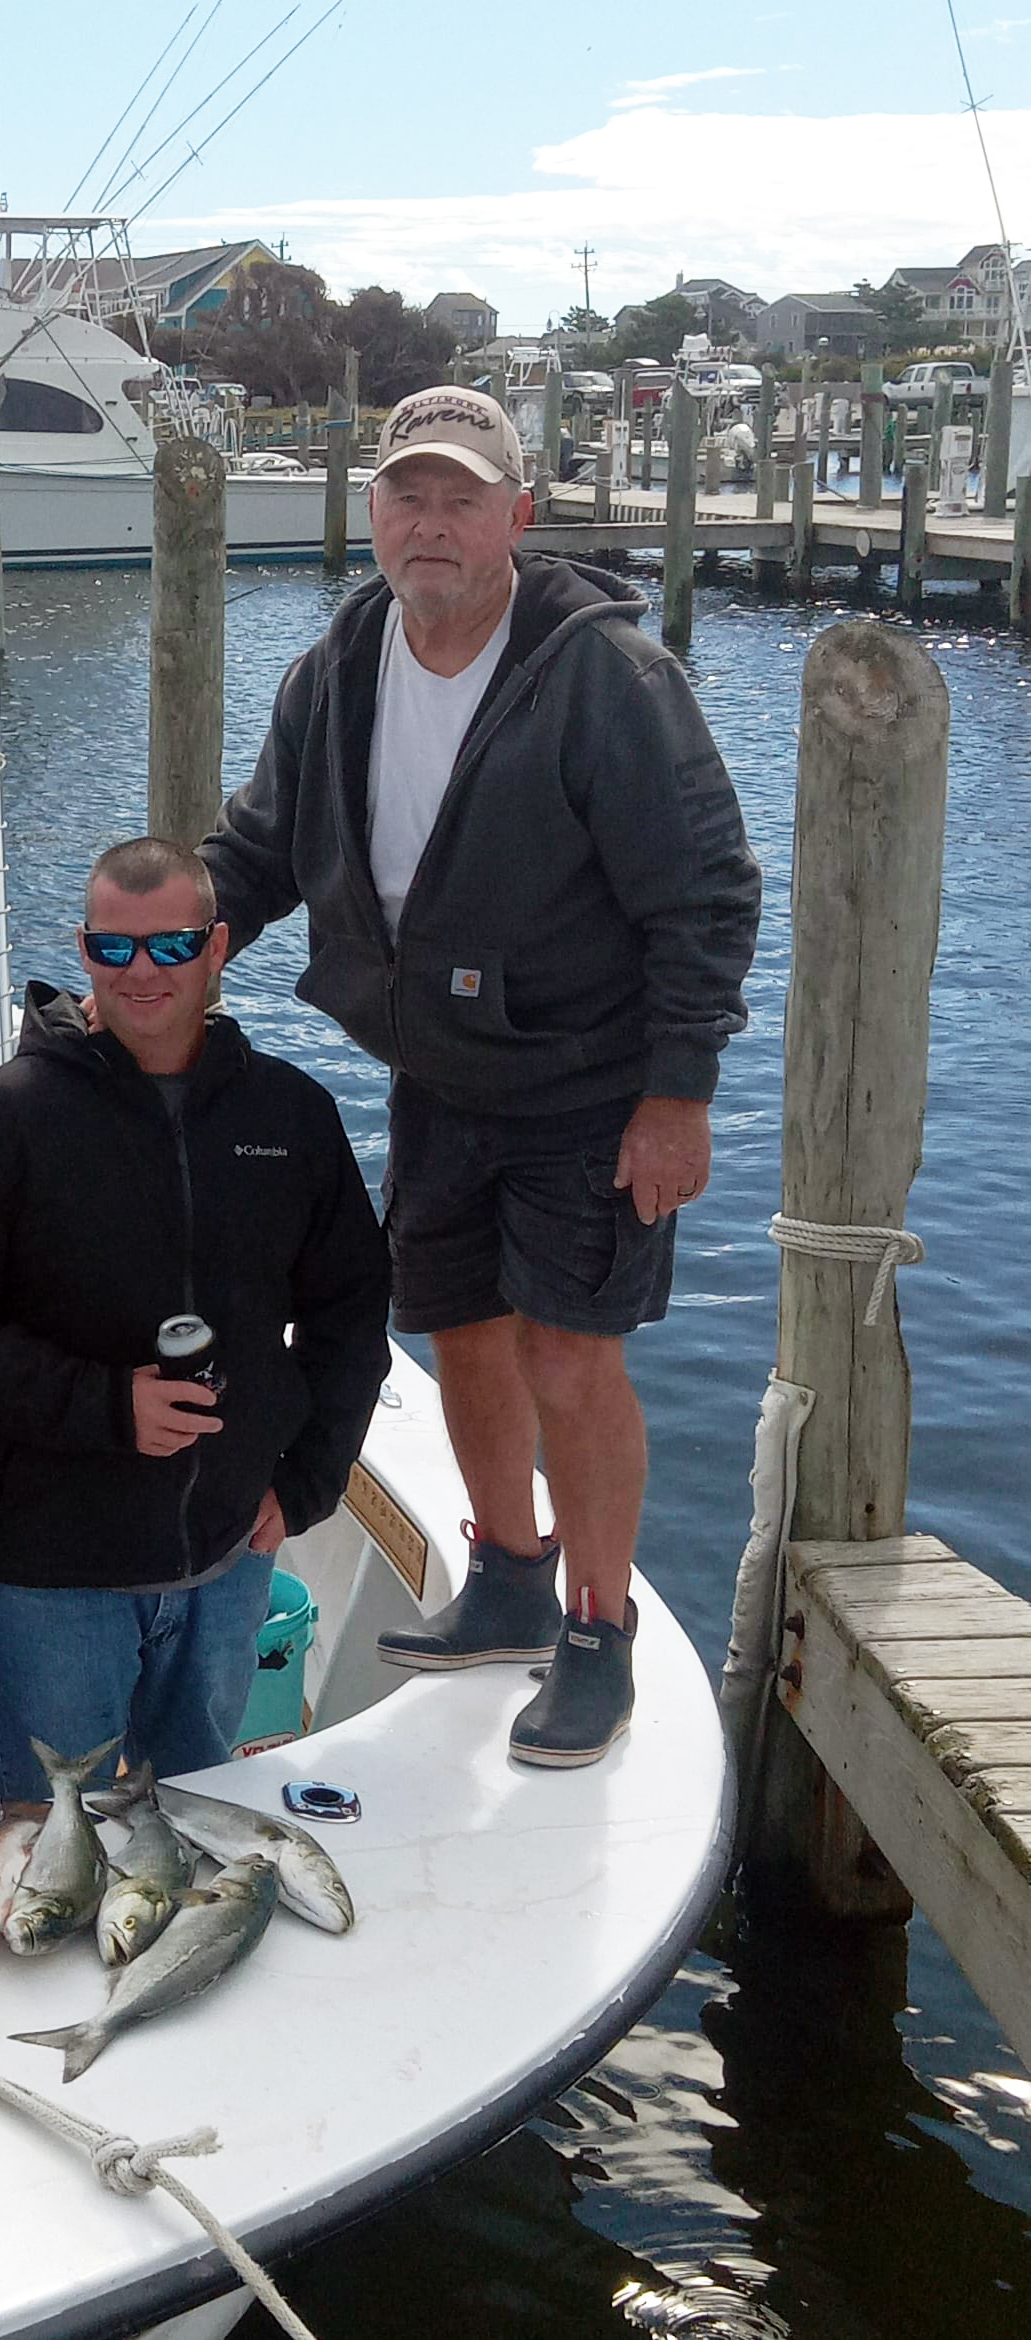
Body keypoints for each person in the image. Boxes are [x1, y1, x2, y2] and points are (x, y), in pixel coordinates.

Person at [201, 385, 762, 1767]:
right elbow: (260, 854)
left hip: (589, 1082)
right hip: (438, 1075)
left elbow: (706, 898)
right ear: (374, 516)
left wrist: (678, 1095)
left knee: (574, 1353)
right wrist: (163, 949)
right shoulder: (336, 666)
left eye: (464, 498)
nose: (433, 524)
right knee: (455, 1322)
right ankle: (507, 1574)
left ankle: (598, 1630)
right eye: (408, 496)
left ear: (520, 514)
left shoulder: (604, 677)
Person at [0, 837, 392, 1802]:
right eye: (115, 950)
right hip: (48, 1578)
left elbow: (353, 1311)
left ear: (218, 947)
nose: (143, 972)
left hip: (231, 1561)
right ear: (83, 952)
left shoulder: (292, 1115)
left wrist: (313, 1478)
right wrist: (108, 1407)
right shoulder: (3, 1122)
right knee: (47, 1847)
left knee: (193, 1828)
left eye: (171, 945)